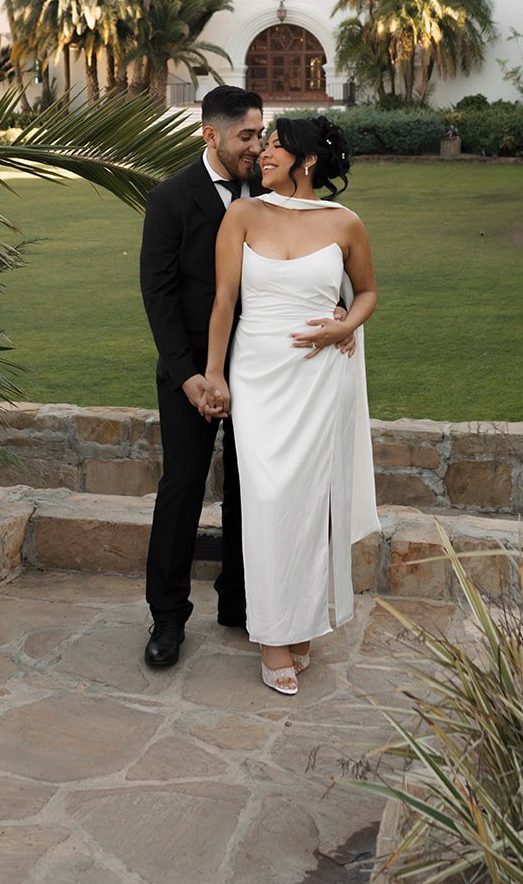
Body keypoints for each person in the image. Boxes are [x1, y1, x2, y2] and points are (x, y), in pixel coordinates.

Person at [204, 114, 379, 695]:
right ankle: (273, 636)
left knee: (309, 504)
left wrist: (343, 326)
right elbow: (225, 300)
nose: (264, 154)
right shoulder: (242, 215)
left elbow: (368, 293)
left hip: (318, 377)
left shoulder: (345, 223)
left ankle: (299, 625)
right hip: (256, 376)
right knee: (265, 497)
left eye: (276, 147)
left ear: (307, 161)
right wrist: (213, 374)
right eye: (264, 145)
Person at [138, 85, 264, 668]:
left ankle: (239, 602)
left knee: (248, 490)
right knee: (182, 488)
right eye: (246, 135)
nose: (256, 146)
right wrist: (188, 376)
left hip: (261, 374)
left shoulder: (270, 192)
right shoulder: (169, 199)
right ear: (210, 134)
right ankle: (167, 618)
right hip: (189, 375)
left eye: (260, 134)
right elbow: (158, 295)